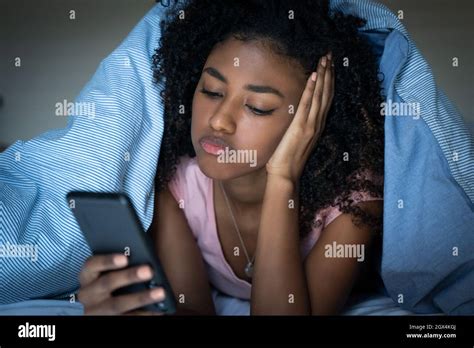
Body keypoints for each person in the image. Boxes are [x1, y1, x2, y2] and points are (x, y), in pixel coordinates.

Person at [77, 0, 385, 315]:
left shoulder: (354, 204)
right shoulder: (175, 188)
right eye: (211, 91)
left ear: (315, 119)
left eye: (258, 107)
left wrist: (282, 179)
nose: (219, 120)